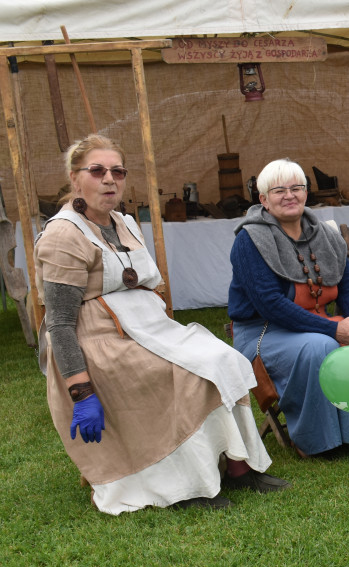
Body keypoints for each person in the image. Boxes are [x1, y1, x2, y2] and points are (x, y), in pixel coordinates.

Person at [34, 134, 288, 514]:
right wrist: (81, 392)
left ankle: (238, 466)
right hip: (100, 345)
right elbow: (60, 324)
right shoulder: (62, 235)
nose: (109, 180)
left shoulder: (123, 222)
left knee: (223, 358)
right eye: (97, 171)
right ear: (75, 179)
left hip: (150, 331)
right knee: (188, 376)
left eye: (117, 171)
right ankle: (188, 486)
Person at [228, 159, 349, 456]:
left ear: (305, 192)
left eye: (296, 188)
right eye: (279, 190)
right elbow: (271, 305)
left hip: (319, 323)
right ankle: (321, 441)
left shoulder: (324, 234)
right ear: (263, 199)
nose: (290, 195)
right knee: (319, 347)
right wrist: (333, 329)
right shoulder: (249, 241)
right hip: (264, 333)